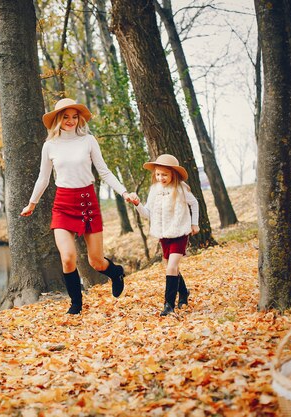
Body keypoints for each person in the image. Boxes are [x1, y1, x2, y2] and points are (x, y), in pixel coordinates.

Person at [20, 98, 139, 315]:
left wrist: (124, 192)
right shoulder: (50, 146)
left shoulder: (88, 141)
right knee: (67, 258)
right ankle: (76, 304)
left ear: (80, 118)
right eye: (65, 116)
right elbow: (43, 178)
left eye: (75, 117)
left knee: (96, 262)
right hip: (63, 204)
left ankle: (116, 272)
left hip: (87, 202)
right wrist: (32, 203)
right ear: (57, 119)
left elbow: (104, 171)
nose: (70, 121)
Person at [132, 154, 199, 316]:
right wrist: (137, 204)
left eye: (165, 174)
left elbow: (194, 203)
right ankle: (184, 293)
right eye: (158, 174)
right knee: (171, 267)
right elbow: (148, 214)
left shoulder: (181, 189)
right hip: (164, 235)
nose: (161, 178)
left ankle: (169, 305)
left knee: (171, 267)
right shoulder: (154, 190)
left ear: (173, 174)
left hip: (180, 232)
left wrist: (194, 223)